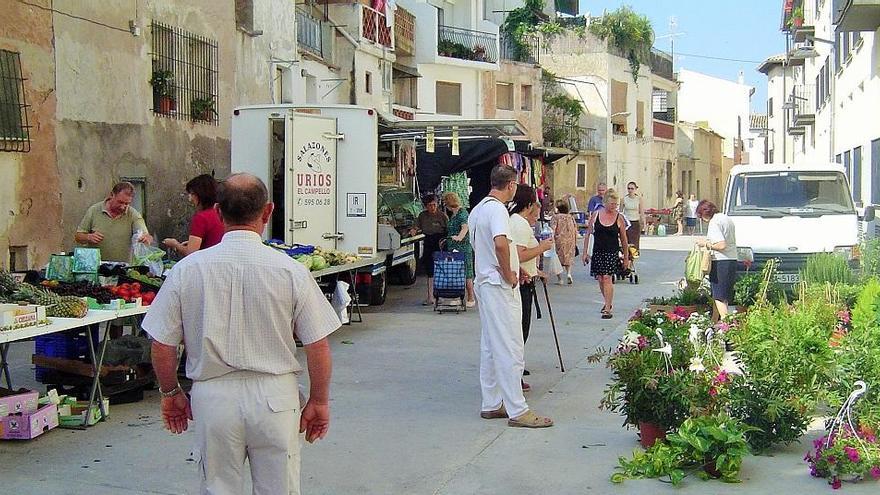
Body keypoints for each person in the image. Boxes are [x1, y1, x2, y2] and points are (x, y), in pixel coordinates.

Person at [143, 173, 340, 494]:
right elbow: (317, 345)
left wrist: (171, 393)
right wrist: (319, 400)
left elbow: (162, 343)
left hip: (213, 398)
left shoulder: (187, 270)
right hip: (276, 399)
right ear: (268, 211)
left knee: (219, 488)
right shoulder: (292, 271)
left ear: (218, 213)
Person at [469, 165, 553, 428]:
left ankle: (492, 403)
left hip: (485, 282)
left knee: (491, 345)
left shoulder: (479, 208)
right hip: (498, 285)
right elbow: (501, 243)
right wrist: (508, 273)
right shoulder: (497, 210)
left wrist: (511, 268)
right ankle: (518, 409)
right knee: (510, 345)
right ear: (511, 186)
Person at [508, 184, 554, 392]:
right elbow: (517, 254)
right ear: (528, 204)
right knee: (520, 331)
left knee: (521, 330)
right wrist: (542, 247)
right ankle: (513, 375)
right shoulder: (519, 224)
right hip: (521, 284)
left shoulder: (519, 222)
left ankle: (516, 370)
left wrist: (536, 271)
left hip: (526, 278)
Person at [75, 182, 154, 262]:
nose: (123, 207)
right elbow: (78, 236)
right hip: (96, 268)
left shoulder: (133, 214)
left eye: (127, 203)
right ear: (112, 195)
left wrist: (146, 238)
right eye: (120, 202)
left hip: (122, 270)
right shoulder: (93, 210)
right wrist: (88, 237)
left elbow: (146, 235)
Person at [582, 188, 629, 319]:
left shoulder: (619, 218)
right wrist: (585, 253)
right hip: (598, 250)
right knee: (600, 278)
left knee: (607, 278)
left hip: (611, 252)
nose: (614, 207)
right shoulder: (596, 215)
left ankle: (607, 307)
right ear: (605, 202)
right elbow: (588, 234)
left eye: (616, 204)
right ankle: (606, 301)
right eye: (612, 204)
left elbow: (624, 240)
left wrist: (626, 258)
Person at [163, 174, 224, 256]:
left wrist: (175, 244)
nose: (190, 199)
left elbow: (191, 253)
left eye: (192, 194)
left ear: (201, 194)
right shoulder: (221, 213)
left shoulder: (201, 218)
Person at [695, 200, 737, 319]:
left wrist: (706, 244)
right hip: (732, 259)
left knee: (718, 296)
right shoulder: (726, 218)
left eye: (701, 216)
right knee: (725, 296)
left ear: (705, 213)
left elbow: (721, 245)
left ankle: (727, 323)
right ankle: (720, 321)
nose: (702, 220)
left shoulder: (714, 223)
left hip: (720, 262)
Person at [411, 195, 448, 306]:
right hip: (428, 242)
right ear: (426, 206)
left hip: (440, 242)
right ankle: (430, 297)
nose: (432, 207)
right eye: (430, 205)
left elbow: (448, 229)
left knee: (441, 270)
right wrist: (413, 230)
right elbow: (416, 226)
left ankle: (440, 296)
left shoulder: (442, 216)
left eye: (434, 205)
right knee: (430, 270)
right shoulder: (422, 216)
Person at [442, 191, 475, 307]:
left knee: (466, 273)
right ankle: (457, 296)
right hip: (454, 248)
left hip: (462, 247)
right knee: (456, 273)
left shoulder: (462, 213)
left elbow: (465, 227)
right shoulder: (454, 214)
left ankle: (470, 297)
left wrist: (459, 237)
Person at [551, 202, 578, 285]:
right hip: (570, 240)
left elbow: (553, 228)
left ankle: (560, 279)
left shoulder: (556, 217)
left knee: (557, 259)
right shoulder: (571, 217)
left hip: (559, 240)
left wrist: (551, 238)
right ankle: (569, 274)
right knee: (568, 259)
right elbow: (575, 228)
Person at [623, 182, 645, 251]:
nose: (630, 190)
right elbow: (620, 213)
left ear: (635, 189)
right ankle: (627, 259)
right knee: (627, 243)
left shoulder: (639, 199)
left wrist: (643, 223)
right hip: (627, 224)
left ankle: (633, 258)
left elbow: (641, 212)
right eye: (628, 188)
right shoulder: (624, 199)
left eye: (632, 188)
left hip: (635, 223)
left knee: (635, 244)